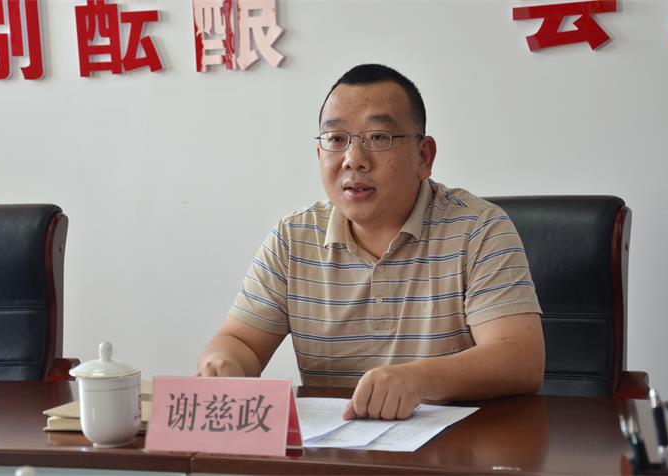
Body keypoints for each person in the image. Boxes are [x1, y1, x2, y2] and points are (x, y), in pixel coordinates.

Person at [196, 64, 545, 421]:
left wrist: (419, 380)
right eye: (336, 139)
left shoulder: (478, 229)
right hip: (335, 445)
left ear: (423, 157)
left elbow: (520, 358)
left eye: (378, 137)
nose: (354, 160)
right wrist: (222, 361)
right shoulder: (293, 238)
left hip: (458, 444)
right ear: (320, 155)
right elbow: (240, 341)